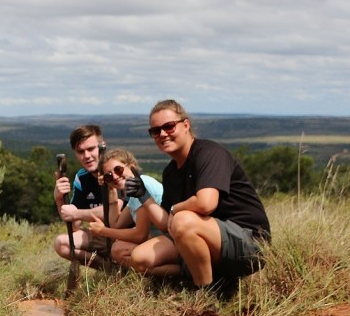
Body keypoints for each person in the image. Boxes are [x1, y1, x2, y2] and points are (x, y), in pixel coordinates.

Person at [128, 99, 271, 290]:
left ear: (186, 125)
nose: (162, 134)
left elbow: (205, 204)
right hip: (207, 238)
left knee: (183, 220)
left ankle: (206, 293)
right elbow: (165, 224)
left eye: (169, 127)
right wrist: (143, 195)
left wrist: (175, 208)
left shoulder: (209, 153)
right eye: (155, 131)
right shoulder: (170, 172)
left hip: (249, 242)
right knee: (140, 258)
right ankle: (213, 278)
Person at [53, 125, 119, 269]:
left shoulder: (117, 171)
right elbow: (75, 226)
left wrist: (77, 213)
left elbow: (117, 211)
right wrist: (59, 199)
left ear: (102, 146)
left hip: (126, 236)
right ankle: (111, 270)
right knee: (62, 243)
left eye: (91, 149)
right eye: (80, 151)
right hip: (103, 236)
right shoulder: (82, 177)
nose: (87, 156)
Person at [88, 148, 163, 269]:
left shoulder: (144, 185)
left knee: (119, 249)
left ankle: (171, 275)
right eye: (109, 176)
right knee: (118, 247)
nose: (115, 177)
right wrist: (111, 189)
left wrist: (102, 231)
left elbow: (140, 235)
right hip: (161, 240)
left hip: (170, 241)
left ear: (132, 166)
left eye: (118, 169)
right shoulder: (134, 193)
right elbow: (116, 225)